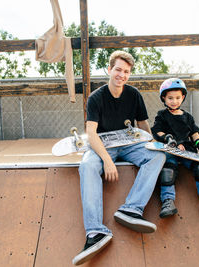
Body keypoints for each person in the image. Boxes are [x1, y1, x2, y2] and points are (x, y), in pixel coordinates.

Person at [72, 51, 166, 265]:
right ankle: (95, 232)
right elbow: (91, 134)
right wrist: (106, 160)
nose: (121, 75)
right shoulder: (96, 98)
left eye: (126, 72)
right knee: (87, 165)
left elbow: (143, 126)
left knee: (157, 156)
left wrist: (153, 144)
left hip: (129, 143)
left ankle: (131, 209)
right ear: (109, 70)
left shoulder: (133, 95)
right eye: (118, 70)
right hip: (103, 145)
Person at [151, 78, 199, 218]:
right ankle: (168, 201)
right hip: (170, 150)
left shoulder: (188, 117)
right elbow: (157, 131)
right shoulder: (162, 115)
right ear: (164, 98)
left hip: (187, 150)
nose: (174, 101)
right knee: (168, 171)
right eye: (170, 98)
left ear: (183, 97)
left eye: (177, 98)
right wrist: (169, 138)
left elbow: (195, 134)